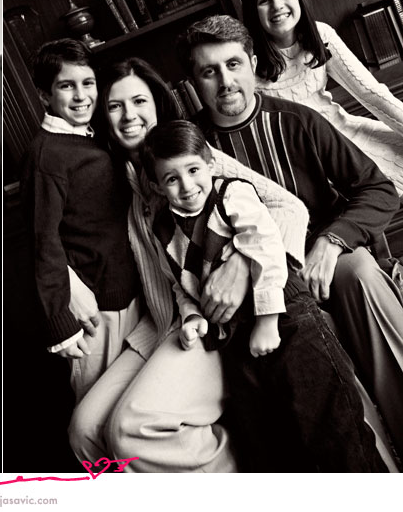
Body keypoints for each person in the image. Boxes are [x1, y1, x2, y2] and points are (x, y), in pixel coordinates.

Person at [69, 56, 311, 472]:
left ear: (157, 104)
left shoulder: (189, 157)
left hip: (211, 319)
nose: (129, 116)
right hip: (163, 319)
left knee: (130, 429)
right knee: (84, 430)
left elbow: (290, 209)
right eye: (114, 106)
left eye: (139, 101)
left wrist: (240, 265)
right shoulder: (114, 174)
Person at [177, 13, 403, 456]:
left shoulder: (297, 121)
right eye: (209, 71)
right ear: (193, 83)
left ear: (252, 63)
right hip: (256, 288)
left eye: (233, 64)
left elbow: (378, 188)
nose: (225, 81)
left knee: (359, 272)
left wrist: (332, 241)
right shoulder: (191, 151)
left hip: (326, 260)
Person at [139, 120, 385, 471]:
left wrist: (268, 321)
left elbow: (267, 247)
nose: (187, 185)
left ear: (210, 163)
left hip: (285, 316)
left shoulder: (231, 194)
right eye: (172, 179)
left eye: (193, 170)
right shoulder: (165, 228)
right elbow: (181, 282)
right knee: (269, 444)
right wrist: (191, 315)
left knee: (332, 429)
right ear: (157, 186)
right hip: (234, 337)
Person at [19, 38, 142, 404]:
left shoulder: (92, 136)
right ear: (44, 95)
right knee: (96, 410)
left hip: (128, 293)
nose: (80, 95)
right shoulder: (47, 155)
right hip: (94, 313)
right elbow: (42, 239)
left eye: (87, 83)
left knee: (130, 401)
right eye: (66, 86)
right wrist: (61, 322)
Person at [241, 0, 403, 194]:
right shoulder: (247, 63)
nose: (277, 5)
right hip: (309, 166)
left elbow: (371, 94)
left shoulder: (320, 34)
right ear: (252, 11)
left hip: (348, 134)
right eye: (264, 0)